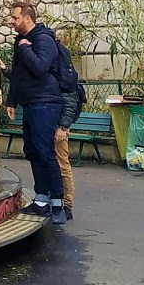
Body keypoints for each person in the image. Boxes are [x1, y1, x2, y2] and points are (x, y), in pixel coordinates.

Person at [3, 0, 66, 225]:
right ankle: (41, 200)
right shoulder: (21, 40)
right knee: (33, 151)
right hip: (31, 102)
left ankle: (58, 203)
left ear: (27, 18)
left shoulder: (42, 39)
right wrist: (12, 101)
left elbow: (40, 68)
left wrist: (26, 49)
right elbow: (20, 75)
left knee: (45, 152)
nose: (12, 21)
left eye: (15, 18)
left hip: (46, 102)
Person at [56, 76, 81, 221]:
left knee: (62, 163)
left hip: (58, 124)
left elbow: (70, 100)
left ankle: (67, 204)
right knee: (58, 162)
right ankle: (63, 202)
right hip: (56, 121)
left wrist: (63, 127)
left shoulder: (63, 74)